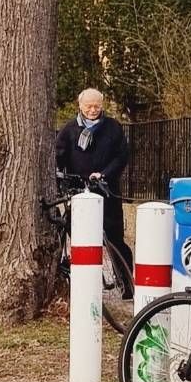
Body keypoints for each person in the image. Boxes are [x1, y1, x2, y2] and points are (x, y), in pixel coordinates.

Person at [55, 88, 130, 293]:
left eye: (97, 106)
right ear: (80, 106)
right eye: (88, 106)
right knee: (78, 233)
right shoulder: (69, 130)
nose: (93, 110)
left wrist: (104, 174)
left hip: (106, 189)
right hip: (78, 190)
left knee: (114, 236)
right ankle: (83, 278)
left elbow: (121, 156)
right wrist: (63, 179)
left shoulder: (113, 128)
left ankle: (126, 281)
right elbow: (59, 156)